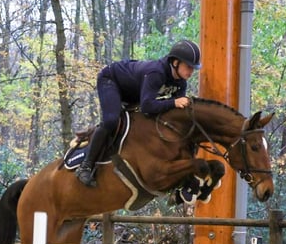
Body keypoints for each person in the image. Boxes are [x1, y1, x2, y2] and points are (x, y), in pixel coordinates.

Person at [76, 39, 202, 187]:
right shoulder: (157, 73)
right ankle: (85, 166)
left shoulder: (181, 82)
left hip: (135, 92)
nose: (191, 72)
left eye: (193, 68)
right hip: (111, 80)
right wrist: (174, 102)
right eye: (189, 66)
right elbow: (147, 107)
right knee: (111, 120)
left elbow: (173, 114)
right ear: (175, 62)